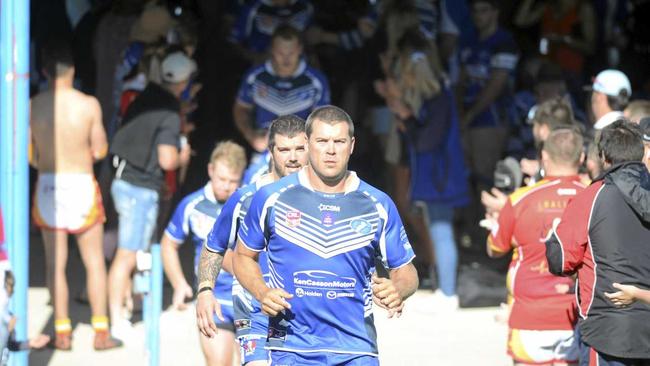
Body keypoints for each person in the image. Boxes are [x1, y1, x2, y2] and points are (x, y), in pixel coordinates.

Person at [231, 105, 419, 364]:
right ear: (308, 143)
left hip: (356, 347)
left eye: (339, 141)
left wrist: (398, 289)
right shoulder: (270, 198)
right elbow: (242, 256)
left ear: (351, 145)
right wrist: (262, 291)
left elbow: (406, 271)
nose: (331, 150)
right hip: (292, 347)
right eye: (322, 141)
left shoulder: (377, 204)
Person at [29, 40, 122, 351]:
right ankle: (100, 331)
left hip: (48, 187)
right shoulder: (88, 105)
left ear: (44, 71)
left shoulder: (34, 105)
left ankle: (62, 330)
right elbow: (99, 149)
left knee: (55, 264)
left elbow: (30, 155)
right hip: (81, 182)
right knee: (94, 261)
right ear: (73, 70)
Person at [197, 115, 309, 366]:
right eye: (284, 149)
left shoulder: (322, 197)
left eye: (300, 149)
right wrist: (205, 290)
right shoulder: (245, 198)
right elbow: (212, 247)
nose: (293, 157)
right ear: (271, 151)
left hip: (305, 313)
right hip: (254, 310)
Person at [377, 29, 470, 310]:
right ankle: (444, 287)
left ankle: (448, 292)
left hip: (440, 177)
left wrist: (407, 117)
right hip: (435, 176)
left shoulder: (439, 99)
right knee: (438, 229)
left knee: (441, 231)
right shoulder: (436, 100)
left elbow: (426, 140)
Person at [546, 120, 650, 365]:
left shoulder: (592, 197)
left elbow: (560, 260)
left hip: (608, 329)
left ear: (603, 156)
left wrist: (553, 238)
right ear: (640, 152)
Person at [108, 50, 193, 337]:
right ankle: (117, 320)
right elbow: (168, 159)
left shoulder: (145, 96)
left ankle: (131, 306)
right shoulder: (169, 111)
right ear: (183, 83)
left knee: (133, 252)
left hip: (123, 180)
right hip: (139, 189)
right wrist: (184, 153)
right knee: (128, 254)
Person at [486, 128, 586, 366]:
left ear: (544, 157)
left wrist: (495, 225)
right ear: (581, 158)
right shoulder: (594, 196)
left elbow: (495, 248)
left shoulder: (520, 199)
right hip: (578, 313)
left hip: (530, 316)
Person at [161, 141, 246, 366]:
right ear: (210, 170)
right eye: (222, 179)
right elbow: (168, 244)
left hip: (248, 300)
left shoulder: (251, 204)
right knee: (219, 363)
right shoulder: (192, 205)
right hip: (213, 300)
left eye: (233, 181)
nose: (227, 187)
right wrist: (179, 283)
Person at [233, 24, 330, 153]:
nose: (286, 58)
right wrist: (251, 136)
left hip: (302, 151)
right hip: (264, 150)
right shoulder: (255, 77)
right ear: (272, 49)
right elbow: (241, 108)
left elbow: (323, 121)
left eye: (291, 53)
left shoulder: (316, 81)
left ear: (300, 49)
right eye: (280, 52)